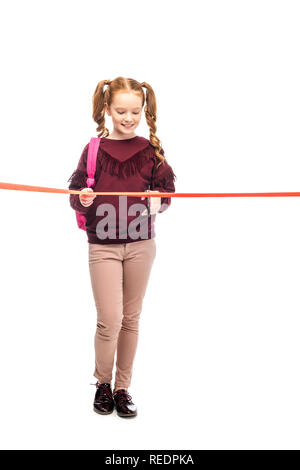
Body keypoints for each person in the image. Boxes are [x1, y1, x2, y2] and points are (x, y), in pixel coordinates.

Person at [67, 77, 177, 418]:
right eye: (120, 111)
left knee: (131, 318)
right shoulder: (94, 150)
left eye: (135, 111)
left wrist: (159, 200)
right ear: (107, 109)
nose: (128, 118)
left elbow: (166, 191)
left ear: (143, 110)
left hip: (142, 244)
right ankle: (102, 383)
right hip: (103, 246)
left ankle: (122, 388)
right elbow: (75, 194)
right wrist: (82, 198)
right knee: (109, 319)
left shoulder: (150, 150)